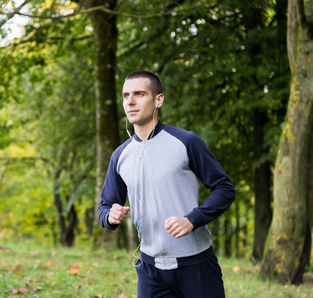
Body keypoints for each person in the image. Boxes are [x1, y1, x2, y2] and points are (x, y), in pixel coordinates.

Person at [98, 70, 235, 298]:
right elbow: (105, 206)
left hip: (196, 265)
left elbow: (224, 188)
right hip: (150, 271)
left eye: (139, 94)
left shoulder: (186, 142)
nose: (130, 101)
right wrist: (110, 216)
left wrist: (193, 219)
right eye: (125, 96)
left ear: (158, 99)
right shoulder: (120, 155)